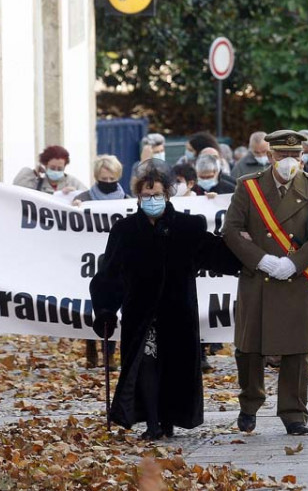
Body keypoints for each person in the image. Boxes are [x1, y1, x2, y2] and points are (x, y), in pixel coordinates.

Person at [89, 160, 240, 439]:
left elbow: (216, 254)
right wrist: (106, 309)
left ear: (167, 196)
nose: (151, 200)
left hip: (177, 313)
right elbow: (109, 274)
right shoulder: (124, 231)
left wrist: (246, 251)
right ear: (137, 197)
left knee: (173, 367)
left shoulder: (188, 227)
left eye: (157, 195)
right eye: (146, 196)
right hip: (141, 313)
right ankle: (153, 422)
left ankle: (168, 419)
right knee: (145, 364)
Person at [223, 130, 308, 436]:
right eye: (282, 156)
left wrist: (293, 263)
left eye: (295, 156)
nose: (289, 162)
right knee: (249, 347)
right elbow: (231, 230)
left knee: (296, 349)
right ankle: (250, 403)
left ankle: (294, 412)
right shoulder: (249, 186)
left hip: (294, 279)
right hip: (257, 276)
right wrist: (261, 259)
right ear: (270, 156)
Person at [73, 155, 126, 369]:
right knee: (89, 306)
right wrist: (74, 206)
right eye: (103, 178)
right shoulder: (84, 198)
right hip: (88, 260)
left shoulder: (126, 201)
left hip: (113, 261)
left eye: (112, 178)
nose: (107, 181)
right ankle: (90, 347)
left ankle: (109, 353)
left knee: (110, 306)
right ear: (96, 177)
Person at [13, 145, 87, 195]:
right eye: (52, 168)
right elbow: (17, 189)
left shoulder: (73, 182)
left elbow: (88, 198)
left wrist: (75, 194)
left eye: (60, 169)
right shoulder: (37, 183)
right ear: (45, 165)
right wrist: (34, 172)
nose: (56, 171)